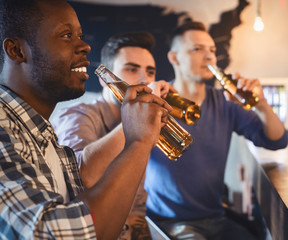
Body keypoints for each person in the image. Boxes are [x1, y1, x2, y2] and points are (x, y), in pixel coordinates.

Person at [0, 0, 171, 239]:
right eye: (67, 35)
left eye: (80, 35)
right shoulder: (4, 127)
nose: (85, 46)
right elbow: (57, 233)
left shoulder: (43, 133)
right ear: (17, 51)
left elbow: (81, 189)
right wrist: (138, 141)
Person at [144, 21, 288, 239]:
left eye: (212, 50)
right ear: (174, 58)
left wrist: (262, 105)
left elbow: (277, 140)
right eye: (197, 49)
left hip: (216, 218)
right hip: (170, 222)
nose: (210, 56)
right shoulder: (158, 102)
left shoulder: (225, 102)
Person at [50, 32, 173, 239]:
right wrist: (133, 122)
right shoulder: (77, 115)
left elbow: (136, 207)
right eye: (131, 69)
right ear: (104, 79)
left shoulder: (145, 124)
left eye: (150, 72)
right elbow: (82, 178)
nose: (144, 79)